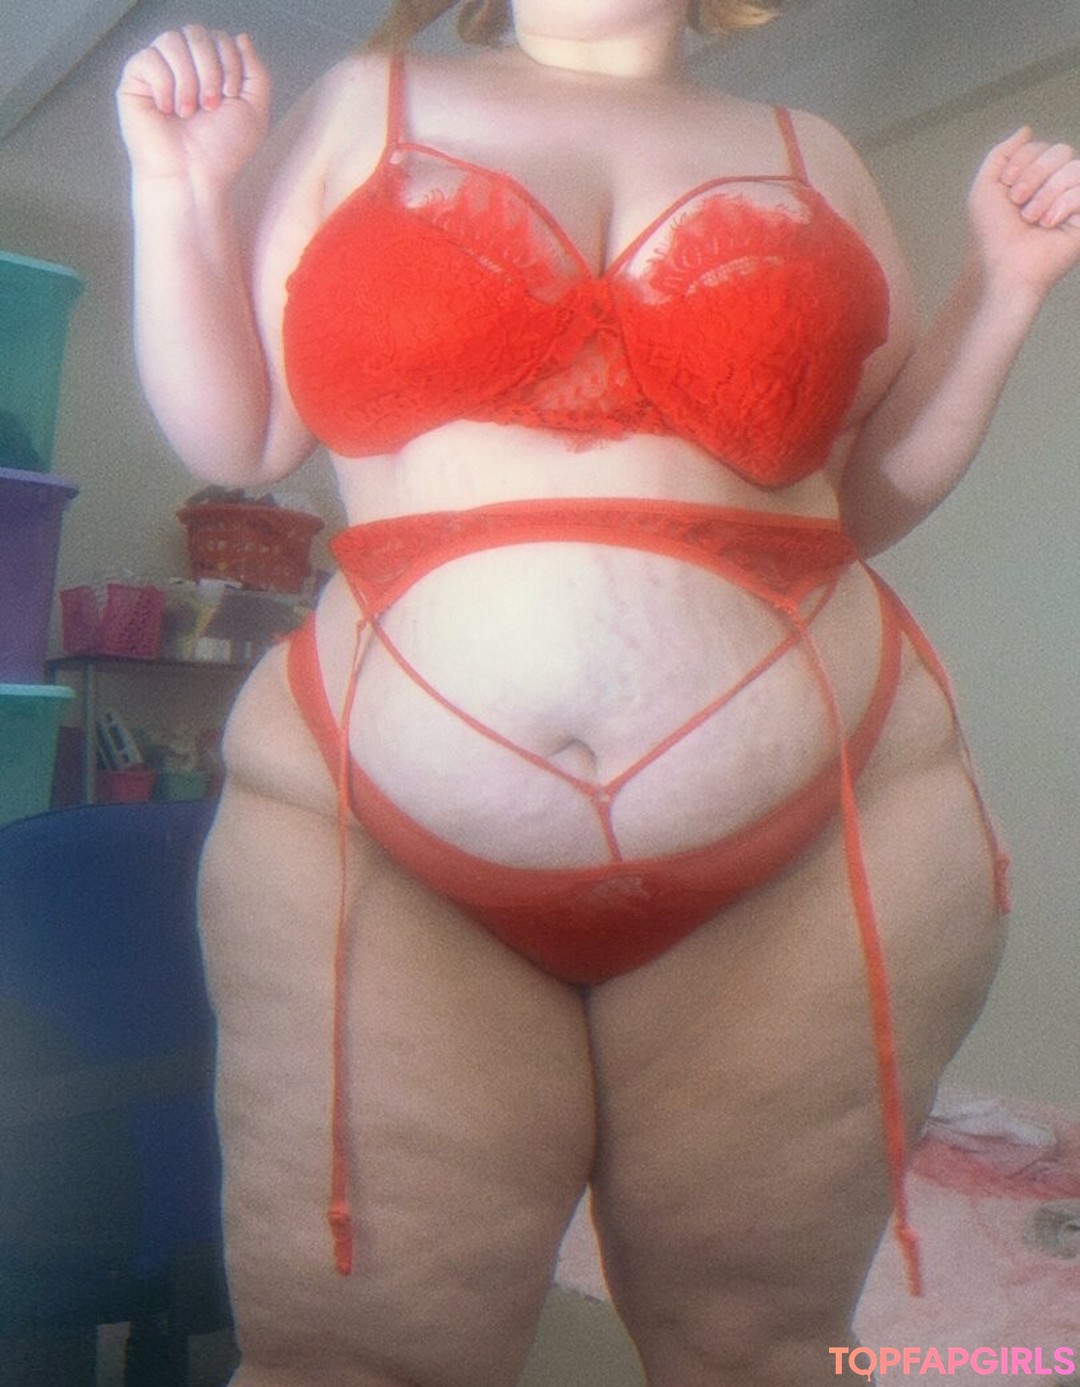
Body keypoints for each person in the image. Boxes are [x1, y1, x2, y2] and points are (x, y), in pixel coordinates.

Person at [115, 3, 1080, 1384]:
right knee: (351, 1360)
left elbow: (857, 501)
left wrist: (1004, 291)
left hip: (816, 846)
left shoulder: (812, 152)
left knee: (758, 1353)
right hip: (381, 840)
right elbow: (240, 434)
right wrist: (176, 190)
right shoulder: (365, 104)